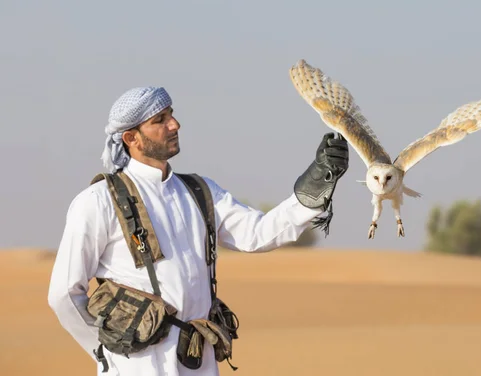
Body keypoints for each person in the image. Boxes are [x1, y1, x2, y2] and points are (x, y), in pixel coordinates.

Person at [47, 86, 349, 376]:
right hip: (134, 365)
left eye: (171, 115)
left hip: (197, 361)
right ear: (131, 137)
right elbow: (64, 294)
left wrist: (318, 183)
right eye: (160, 120)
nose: (174, 124)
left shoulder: (199, 191)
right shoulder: (98, 200)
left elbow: (258, 233)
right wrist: (103, 352)